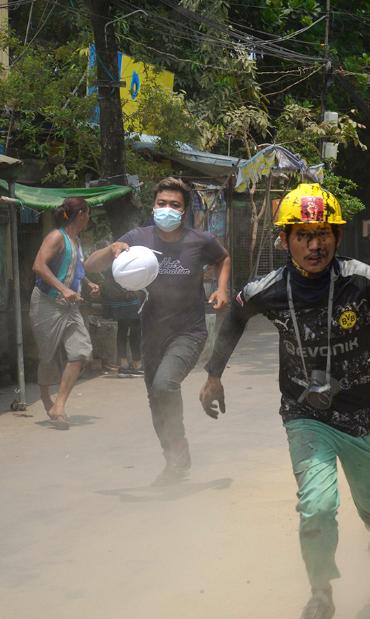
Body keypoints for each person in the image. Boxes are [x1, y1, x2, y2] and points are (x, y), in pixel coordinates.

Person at [200, 184, 370, 617]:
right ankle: (321, 592)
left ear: (337, 236)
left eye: (323, 233)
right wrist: (212, 375)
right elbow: (234, 319)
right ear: (285, 240)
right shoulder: (268, 287)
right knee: (317, 507)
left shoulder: (360, 277)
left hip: (360, 415)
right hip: (304, 413)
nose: (314, 244)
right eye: (302, 234)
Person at [85, 177, 231, 485]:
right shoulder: (138, 237)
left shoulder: (198, 240)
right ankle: (174, 460)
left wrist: (221, 289)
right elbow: (90, 265)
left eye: (174, 205)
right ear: (154, 206)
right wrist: (112, 250)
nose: (167, 209)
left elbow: (223, 257)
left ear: (185, 210)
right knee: (156, 397)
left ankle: (180, 455)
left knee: (165, 385)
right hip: (151, 332)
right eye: (162, 203)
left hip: (189, 332)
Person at [29, 197, 98, 428]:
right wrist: (63, 288)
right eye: (88, 213)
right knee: (47, 355)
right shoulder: (56, 236)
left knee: (80, 350)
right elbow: (39, 265)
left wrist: (87, 283)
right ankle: (46, 397)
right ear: (81, 214)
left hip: (70, 305)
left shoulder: (75, 240)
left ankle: (59, 404)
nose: (89, 218)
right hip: (47, 302)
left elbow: (74, 266)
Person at [101, 269, 143, 375]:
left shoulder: (113, 257)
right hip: (129, 297)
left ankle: (124, 364)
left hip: (118, 297)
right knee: (134, 331)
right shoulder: (128, 256)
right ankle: (136, 363)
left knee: (123, 330)